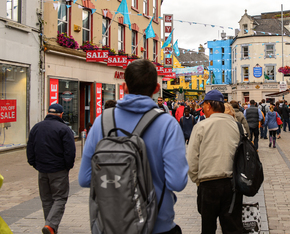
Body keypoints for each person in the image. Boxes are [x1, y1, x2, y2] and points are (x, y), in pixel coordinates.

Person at [78, 59, 188, 234]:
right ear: (156, 89)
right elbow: (177, 181)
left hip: (110, 225)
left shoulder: (102, 122)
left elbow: (84, 179)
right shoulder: (168, 124)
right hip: (157, 224)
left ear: (124, 87)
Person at [187, 90, 243, 234]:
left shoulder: (201, 126)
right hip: (232, 184)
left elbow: (192, 158)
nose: (203, 109)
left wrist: (197, 179)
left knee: (208, 227)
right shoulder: (237, 126)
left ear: (209, 105)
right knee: (232, 227)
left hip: (209, 184)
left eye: (204, 105)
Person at [26, 103, 76, 234]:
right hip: (58, 169)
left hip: (42, 170)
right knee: (60, 198)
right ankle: (51, 225)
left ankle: (50, 227)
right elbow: (70, 151)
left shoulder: (36, 127)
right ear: (61, 114)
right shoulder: (64, 129)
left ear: (48, 113)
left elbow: (30, 148)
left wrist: (34, 164)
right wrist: (67, 166)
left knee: (46, 199)